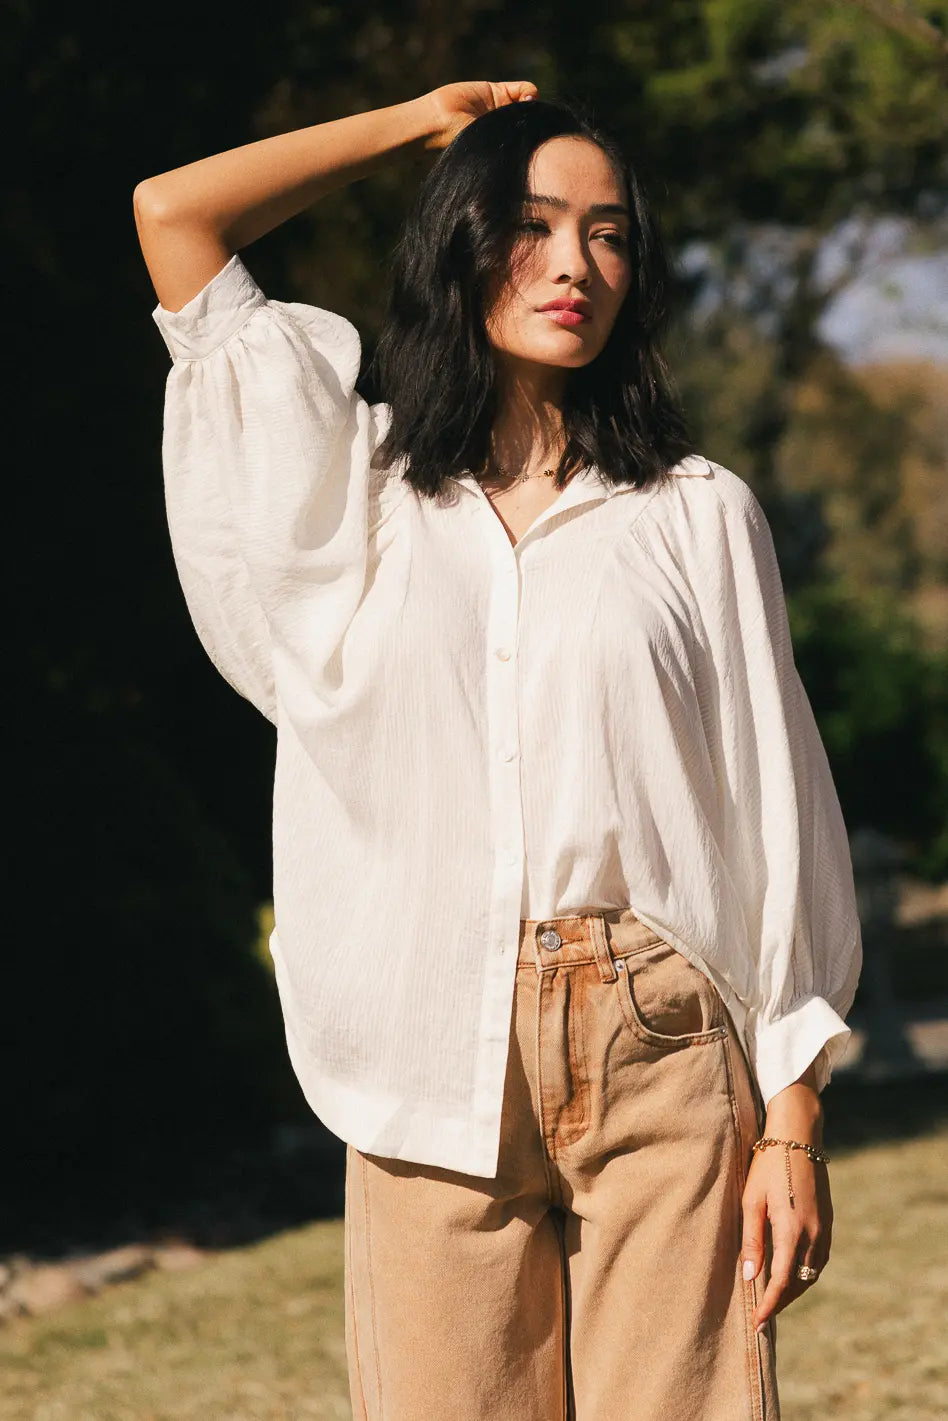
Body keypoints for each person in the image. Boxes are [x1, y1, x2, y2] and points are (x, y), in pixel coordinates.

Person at [135, 80, 863, 1421]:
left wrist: (793, 1121)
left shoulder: (697, 517)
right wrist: (419, 124)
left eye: (610, 234)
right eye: (530, 225)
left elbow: (780, 812)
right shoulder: (357, 498)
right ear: (463, 240)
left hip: (661, 1030)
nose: (577, 264)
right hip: (428, 1045)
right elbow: (176, 214)